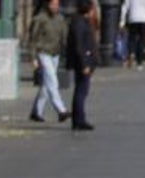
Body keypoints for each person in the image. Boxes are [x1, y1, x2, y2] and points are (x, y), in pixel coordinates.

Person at [27, 0, 70, 123]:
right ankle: (61, 110)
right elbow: (33, 40)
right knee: (52, 80)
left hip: (55, 53)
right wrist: (33, 57)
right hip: (43, 52)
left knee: (46, 85)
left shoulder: (60, 19)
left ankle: (37, 111)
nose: (55, 7)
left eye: (57, 4)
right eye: (52, 4)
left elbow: (64, 37)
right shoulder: (40, 19)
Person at [67, 0, 98, 131]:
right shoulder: (80, 23)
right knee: (81, 91)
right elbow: (79, 45)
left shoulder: (81, 22)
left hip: (85, 61)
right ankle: (79, 119)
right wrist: (84, 64)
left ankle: (78, 118)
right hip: (82, 62)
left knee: (81, 90)